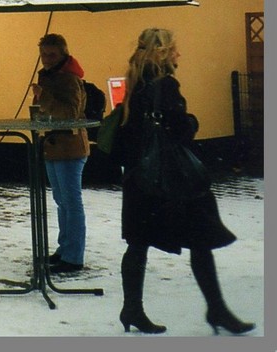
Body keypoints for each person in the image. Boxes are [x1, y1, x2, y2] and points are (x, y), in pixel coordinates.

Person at [116, 28, 254, 335]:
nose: (180, 55)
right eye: (176, 49)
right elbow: (181, 129)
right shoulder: (165, 84)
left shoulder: (134, 82)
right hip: (171, 178)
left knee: (138, 242)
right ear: (164, 52)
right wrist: (192, 121)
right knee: (201, 238)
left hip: (140, 176)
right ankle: (216, 309)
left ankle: (132, 309)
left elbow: (130, 130)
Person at [30, 33, 88, 274]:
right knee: (61, 202)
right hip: (54, 146)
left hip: (69, 146)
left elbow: (71, 113)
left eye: (51, 55)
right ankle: (65, 250)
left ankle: (73, 257)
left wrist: (44, 99)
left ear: (63, 54)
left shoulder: (69, 79)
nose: (46, 59)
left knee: (71, 203)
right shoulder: (51, 76)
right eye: (43, 54)